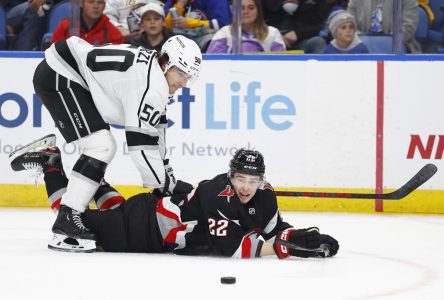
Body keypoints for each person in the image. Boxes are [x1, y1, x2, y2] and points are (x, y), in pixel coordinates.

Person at [20, 34, 202, 249]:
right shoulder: (152, 86)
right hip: (61, 74)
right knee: (101, 146)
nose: (184, 82)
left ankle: (59, 169)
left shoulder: (155, 75)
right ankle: (66, 221)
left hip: (68, 72)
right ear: (166, 63)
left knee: (100, 149)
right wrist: (163, 184)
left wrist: (166, 178)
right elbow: (141, 146)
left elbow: (156, 135)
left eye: (189, 76)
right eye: (180, 72)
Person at [10, 140, 340, 258]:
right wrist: (286, 247)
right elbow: (235, 248)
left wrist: (295, 236)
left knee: (113, 208)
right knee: (69, 220)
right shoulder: (217, 195)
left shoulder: (266, 196)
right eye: (240, 178)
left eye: (252, 180)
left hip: (149, 217)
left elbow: (272, 229)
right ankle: (51, 161)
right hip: (142, 229)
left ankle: (89, 178)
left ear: (262, 180)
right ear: (231, 175)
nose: (246, 186)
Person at [206, 0, 286, 53]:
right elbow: (214, 65)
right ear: (233, 11)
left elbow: (280, 65)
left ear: (258, 11)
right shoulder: (224, 33)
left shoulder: (272, 34)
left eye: (251, 8)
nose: (245, 12)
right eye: (241, 8)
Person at [347, 0, 421, 53]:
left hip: (398, 47)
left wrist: (383, 42)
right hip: (362, 46)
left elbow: (408, 28)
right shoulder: (355, 1)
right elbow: (350, 25)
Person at [261, 0, 330, 53]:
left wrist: (298, 34)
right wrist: (276, 35)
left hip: (303, 41)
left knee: (318, 42)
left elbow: (324, 26)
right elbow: (258, 22)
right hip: (272, 41)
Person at [163, 0, 232, 51]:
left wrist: (189, 23)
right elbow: (164, 24)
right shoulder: (174, 1)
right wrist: (180, 5)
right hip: (182, 40)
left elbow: (222, 24)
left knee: (213, 41)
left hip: (206, 38)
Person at [51, 0, 124, 46]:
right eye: (91, 2)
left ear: (104, 6)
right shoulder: (65, 26)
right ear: (82, 4)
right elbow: (54, 52)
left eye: (100, 2)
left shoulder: (112, 31)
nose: (96, 6)